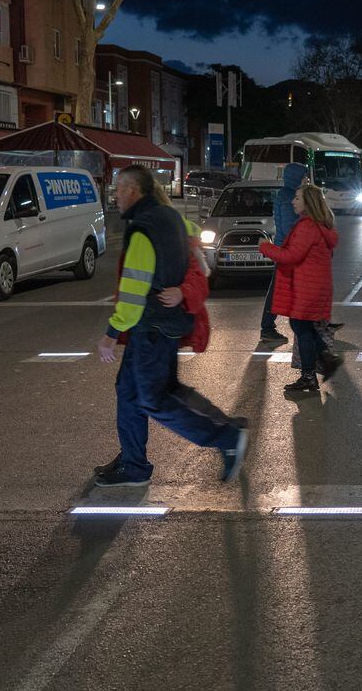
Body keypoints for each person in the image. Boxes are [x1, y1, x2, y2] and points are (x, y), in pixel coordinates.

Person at [95, 165, 248, 486]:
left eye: (120, 189)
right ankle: (133, 463)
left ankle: (226, 437)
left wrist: (110, 333)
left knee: (154, 399)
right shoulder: (170, 218)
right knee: (130, 391)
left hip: (150, 328)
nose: (116, 195)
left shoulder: (143, 229)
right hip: (163, 327)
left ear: (134, 191)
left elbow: (134, 290)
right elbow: (190, 234)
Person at [258, 184, 342, 393]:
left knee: (301, 326)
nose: (292, 201)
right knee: (304, 326)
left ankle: (310, 374)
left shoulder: (307, 226)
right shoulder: (318, 225)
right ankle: (323, 360)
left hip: (308, 286)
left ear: (308, 203)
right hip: (314, 285)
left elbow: (291, 256)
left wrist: (265, 247)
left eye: (297, 198)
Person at [260, 162, 308, 343]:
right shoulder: (289, 197)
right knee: (280, 291)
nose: (306, 179)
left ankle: (269, 327)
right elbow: (289, 227)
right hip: (288, 252)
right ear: (296, 177)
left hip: (285, 249)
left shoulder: (285, 194)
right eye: (303, 176)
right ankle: (268, 327)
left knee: (282, 290)